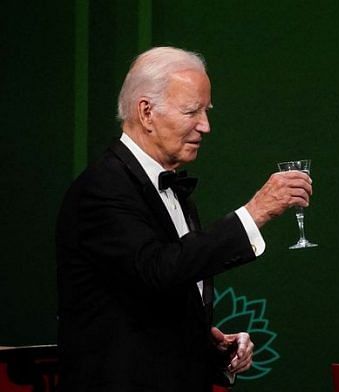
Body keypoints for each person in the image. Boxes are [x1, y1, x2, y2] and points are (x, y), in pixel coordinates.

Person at [56, 47, 313, 392]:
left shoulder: (174, 190)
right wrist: (255, 212)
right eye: (192, 111)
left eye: (206, 111)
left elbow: (155, 300)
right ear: (146, 112)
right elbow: (156, 269)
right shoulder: (103, 188)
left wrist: (211, 349)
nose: (205, 126)